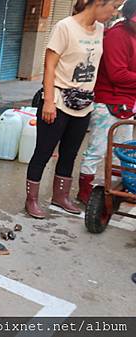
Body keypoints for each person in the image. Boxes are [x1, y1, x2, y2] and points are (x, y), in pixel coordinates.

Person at [25, 0, 123, 219]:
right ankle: (31, 200)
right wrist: (49, 101)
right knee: (43, 152)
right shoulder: (65, 27)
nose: (115, 12)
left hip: (84, 103)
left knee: (70, 153)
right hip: (58, 100)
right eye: (114, 6)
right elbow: (49, 65)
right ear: (98, 2)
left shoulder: (100, 29)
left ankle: (61, 196)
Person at [77, 0, 136, 204]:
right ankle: (85, 191)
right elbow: (117, 74)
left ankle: (119, 189)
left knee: (123, 150)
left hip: (128, 102)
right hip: (108, 102)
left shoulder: (133, 35)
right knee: (97, 150)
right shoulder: (117, 36)